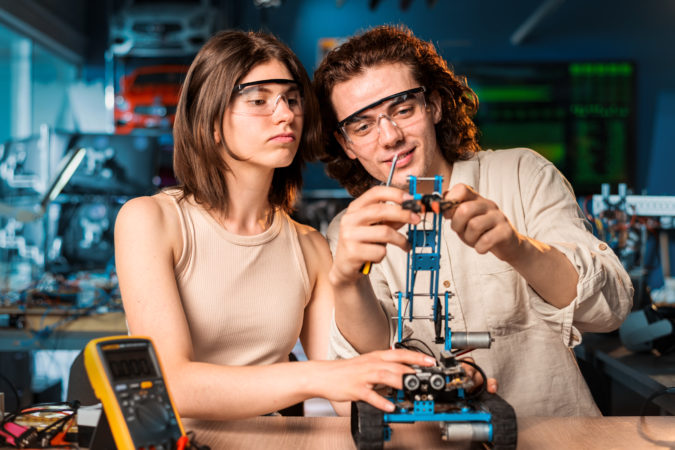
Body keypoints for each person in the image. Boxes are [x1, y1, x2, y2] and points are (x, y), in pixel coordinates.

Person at [114, 30, 436, 421]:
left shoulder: (310, 247)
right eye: (259, 100)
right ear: (211, 120)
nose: (285, 114)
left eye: (292, 99)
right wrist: (317, 376)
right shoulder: (151, 220)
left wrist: (435, 389)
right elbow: (172, 385)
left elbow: (345, 394)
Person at [313, 25, 633, 416]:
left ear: (433, 105)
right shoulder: (352, 228)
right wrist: (349, 280)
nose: (390, 136)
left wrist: (517, 248)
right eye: (362, 125)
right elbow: (375, 359)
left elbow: (611, 310)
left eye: (402, 109)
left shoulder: (521, 173)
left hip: (556, 435)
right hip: (428, 441)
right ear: (346, 144)